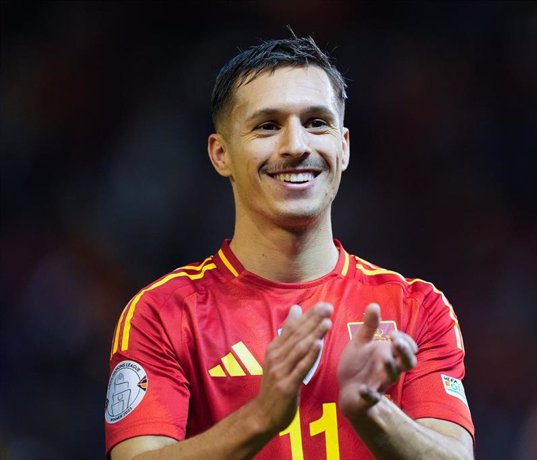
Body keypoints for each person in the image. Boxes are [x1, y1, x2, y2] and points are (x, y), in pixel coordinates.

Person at [104, 34, 475, 460]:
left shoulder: (416, 308)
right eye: (267, 125)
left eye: (317, 122)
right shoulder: (163, 313)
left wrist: (371, 412)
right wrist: (262, 415)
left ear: (344, 145)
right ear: (220, 153)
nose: (296, 146)